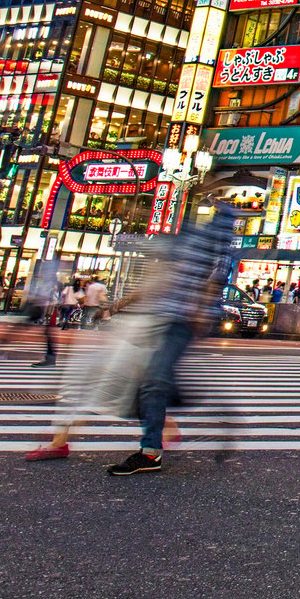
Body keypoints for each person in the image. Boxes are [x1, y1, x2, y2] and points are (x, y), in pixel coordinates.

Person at [96, 199, 237, 476]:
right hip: (160, 317)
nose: (137, 213)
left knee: (153, 381)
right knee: (149, 382)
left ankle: (150, 451)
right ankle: (189, 407)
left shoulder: (212, 228)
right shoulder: (178, 238)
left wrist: (200, 307)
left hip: (180, 320)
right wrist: (119, 305)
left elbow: (221, 268)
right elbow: (159, 280)